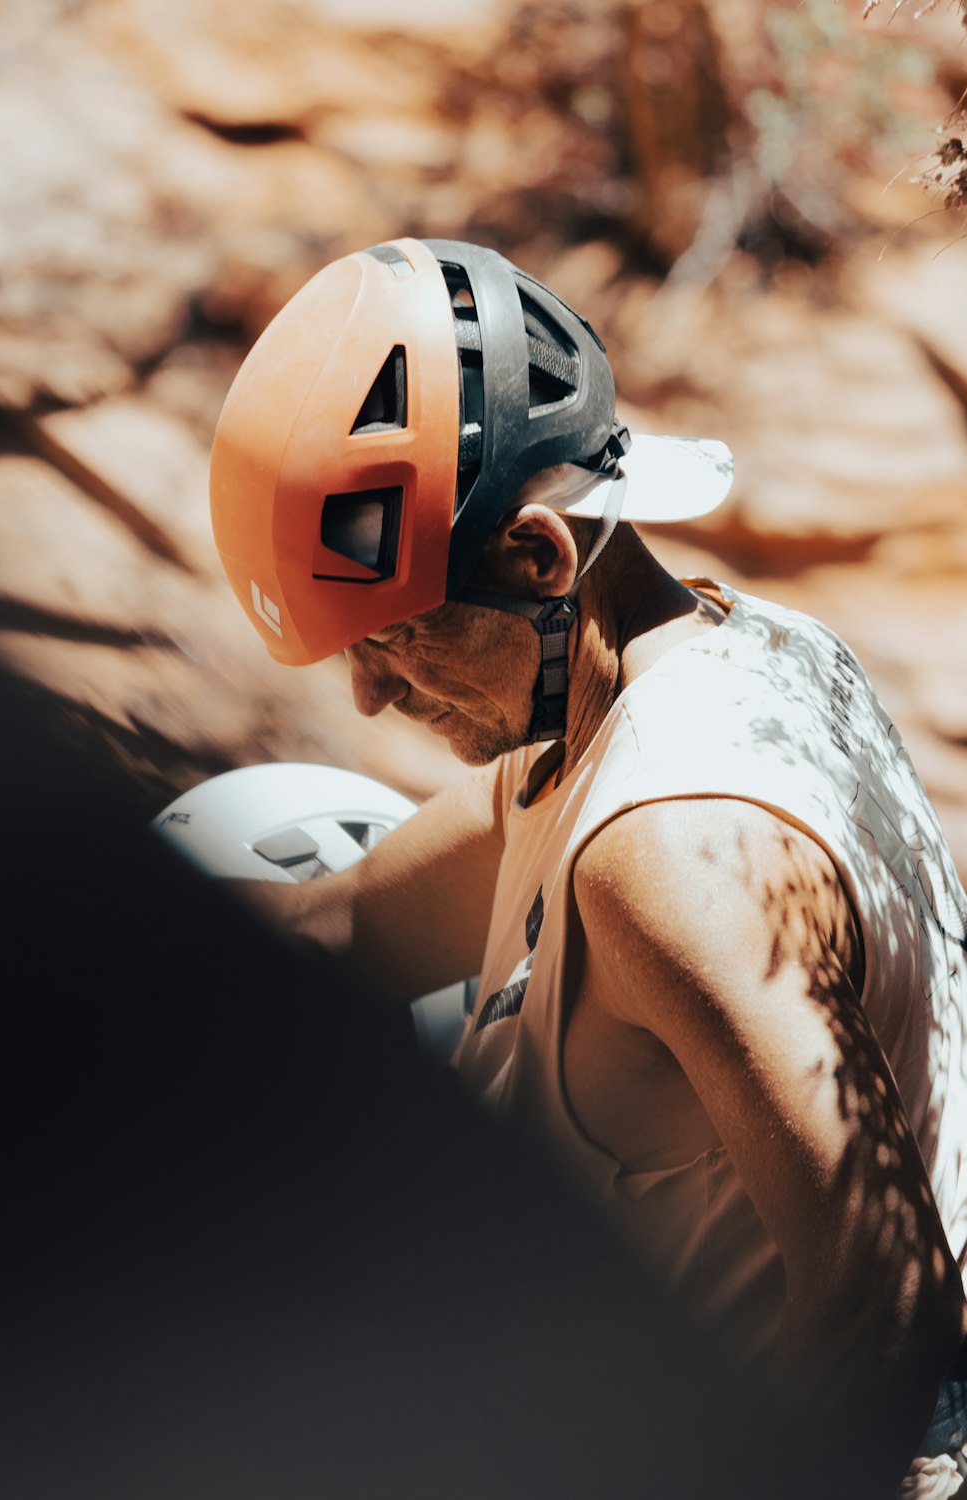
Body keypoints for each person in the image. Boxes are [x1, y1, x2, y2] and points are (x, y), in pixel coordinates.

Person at [209, 237, 967, 1494]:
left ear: (536, 559)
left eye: (392, 641)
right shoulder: (707, 656)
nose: (366, 697)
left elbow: (883, 1309)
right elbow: (342, 925)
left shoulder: (666, 855)